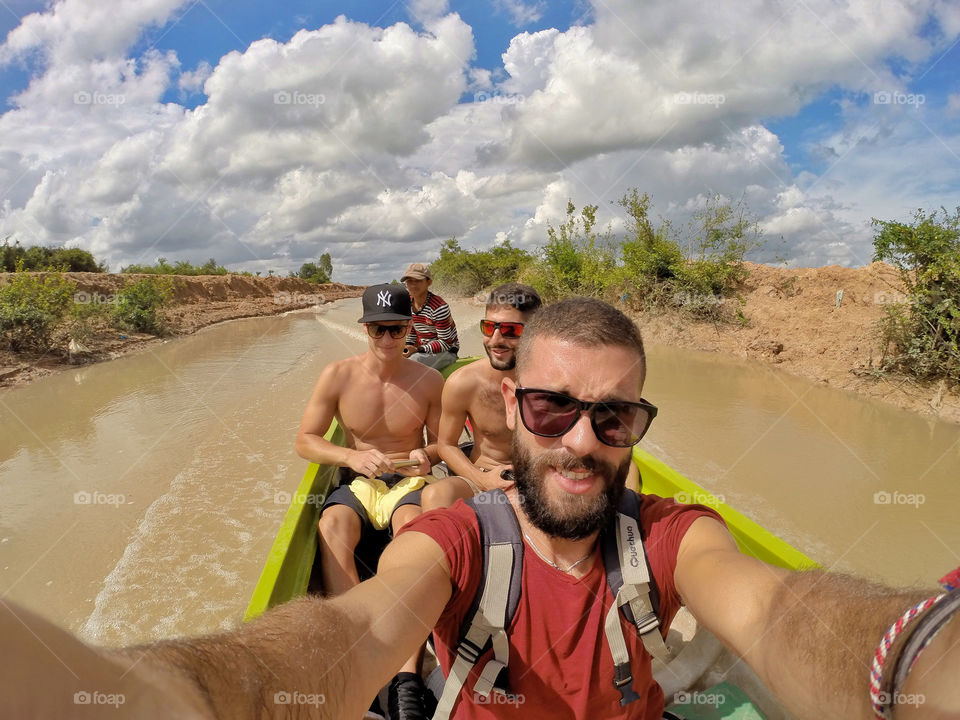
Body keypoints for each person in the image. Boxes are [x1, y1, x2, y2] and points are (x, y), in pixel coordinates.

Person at [4, 299, 960, 720]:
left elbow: (781, 611)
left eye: (613, 416)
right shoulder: (455, 540)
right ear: (514, 406)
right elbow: (349, 630)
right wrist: (156, 699)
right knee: (344, 528)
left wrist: (926, 655)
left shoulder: (671, 534)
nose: (582, 440)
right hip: (416, 502)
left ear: (636, 425)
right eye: (552, 408)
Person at [294, 282, 443, 716]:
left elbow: (442, 445)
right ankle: (360, 642)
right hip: (360, 480)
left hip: (408, 483)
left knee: (412, 533)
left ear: (409, 327)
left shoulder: (430, 380)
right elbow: (305, 440)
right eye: (377, 330)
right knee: (331, 525)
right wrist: (350, 455)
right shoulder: (337, 375)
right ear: (364, 329)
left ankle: (406, 673)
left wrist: (424, 453)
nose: (386, 340)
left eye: (395, 330)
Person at [421, 283, 542, 511]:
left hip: (539, 480)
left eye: (510, 330)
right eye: (488, 327)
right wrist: (482, 480)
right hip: (484, 474)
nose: (495, 340)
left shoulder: (555, 380)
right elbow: (446, 445)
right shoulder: (463, 383)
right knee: (435, 495)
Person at [400, 262, 459, 371]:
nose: (413, 285)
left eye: (418, 281)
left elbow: (445, 343)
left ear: (429, 282)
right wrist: (407, 346)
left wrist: (417, 350)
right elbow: (412, 330)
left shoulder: (439, 307)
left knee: (412, 364)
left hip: (446, 352)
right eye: (409, 281)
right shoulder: (407, 303)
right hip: (422, 349)